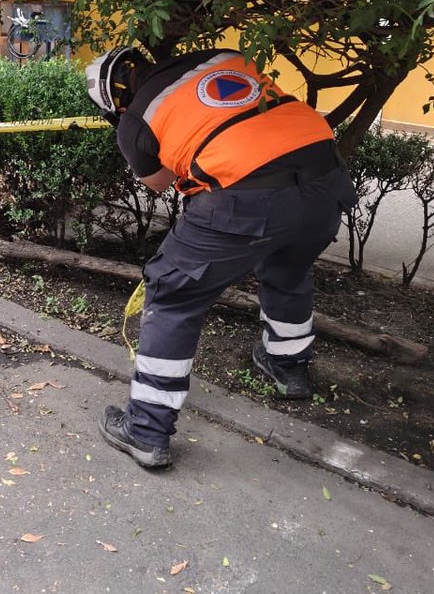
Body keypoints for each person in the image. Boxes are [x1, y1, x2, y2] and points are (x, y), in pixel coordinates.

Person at [85, 46, 357, 470]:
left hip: (246, 198)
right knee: (288, 268)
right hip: (326, 182)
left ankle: (146, 430)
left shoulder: (135, 121)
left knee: (172, 294)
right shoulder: (219, 56)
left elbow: (159, 181)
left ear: (113, 104)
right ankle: (289, 367)